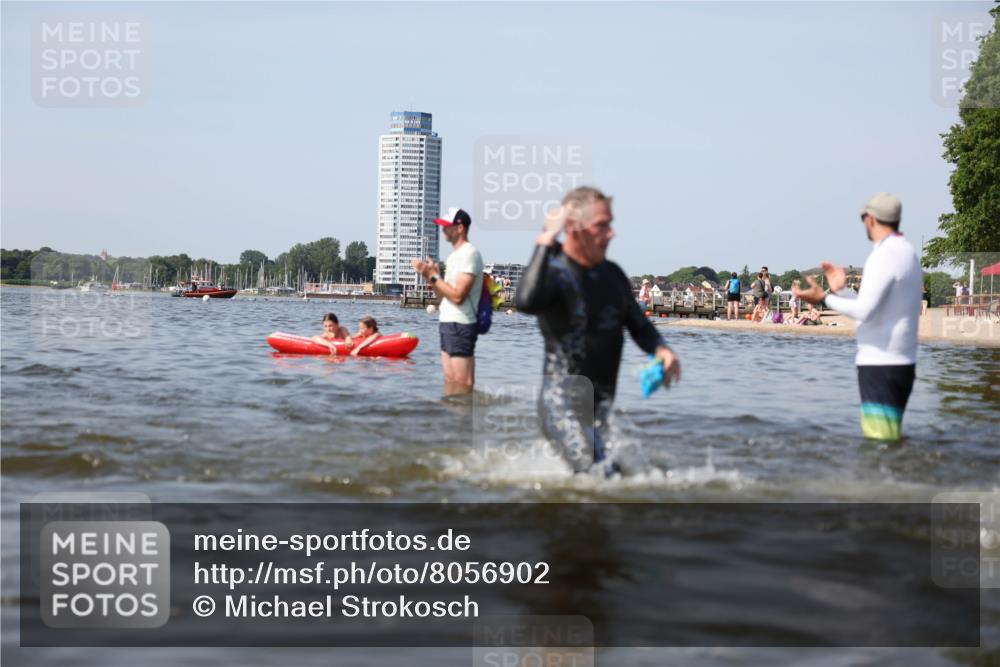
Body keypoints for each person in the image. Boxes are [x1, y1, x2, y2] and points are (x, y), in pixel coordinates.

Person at [515, 186, 681, 476]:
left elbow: (639, 326)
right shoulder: (555, 274)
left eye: (610, 224)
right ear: (573, 228)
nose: (611, 233)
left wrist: (662, 349)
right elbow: (526, 301)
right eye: (601, 226)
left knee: (618, 474)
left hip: (599, 408)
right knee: (603, 477)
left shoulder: (612, 275)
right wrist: (545, 238)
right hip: (561, 405)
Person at [793, 192, 922, 441]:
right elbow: (872, 308)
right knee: (890, 439)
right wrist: (843, 290)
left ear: (871, 219)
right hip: (902, 362)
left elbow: (864, 311)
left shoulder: (883, 255)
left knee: (878, 443)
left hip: (879, 364)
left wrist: (823, 299)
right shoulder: (908, 252)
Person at [412, 207, 484, 395]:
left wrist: (433, 276)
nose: (443, 230)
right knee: (450, 381)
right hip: (447, 322)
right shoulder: (453, 257)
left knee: (462, 383)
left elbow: (458, 296)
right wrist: (431, 278)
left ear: (460, 228)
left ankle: (464, 420)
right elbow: (444, 298)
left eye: (447, 226)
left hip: (461, 324)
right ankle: (452, 421)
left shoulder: (469, 254)